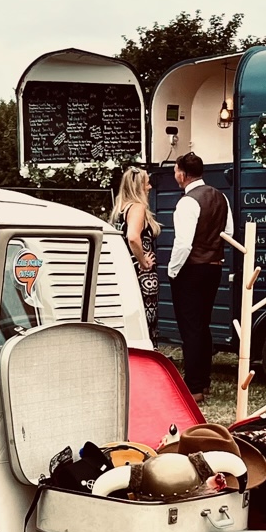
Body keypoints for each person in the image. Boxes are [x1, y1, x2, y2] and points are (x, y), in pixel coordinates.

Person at [168, 152, 229, 402]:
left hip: (191, 269)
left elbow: (183, 243)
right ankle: (203, 383)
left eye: (175, 171)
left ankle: (193, 387)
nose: (175, 175)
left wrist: (173, 270)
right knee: (203, 325)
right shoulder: (221, 196)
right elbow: (229, 231)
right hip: (214, 267)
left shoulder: (187, 202)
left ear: (183, 173)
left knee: (191, 328)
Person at [108, 167, 161, 336]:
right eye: (147, 183)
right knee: (145, 321)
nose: (150, 187)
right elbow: (133, 237)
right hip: (141, 274)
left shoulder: (120, 209)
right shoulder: (137, 207)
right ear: (138, 187)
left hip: (124, 270)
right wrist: (143, 261)